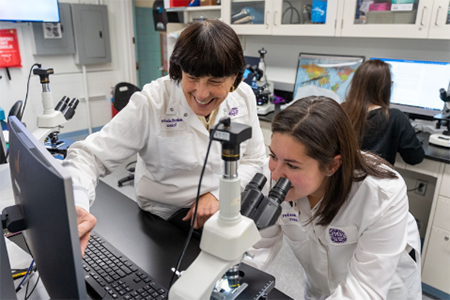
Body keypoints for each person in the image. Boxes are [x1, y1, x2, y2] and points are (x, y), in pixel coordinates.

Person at [63, 19, 267, 255]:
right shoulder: (152, 102)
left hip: (222, 207)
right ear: (179, 69)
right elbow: (88, 156)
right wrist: (77, 204)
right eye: (191, 77)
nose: (201, 94)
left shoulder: (243, 98)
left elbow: (255, 160)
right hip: (165, 215)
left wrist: (217, 195)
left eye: (215, 81)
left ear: (235, 78)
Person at [246, 97, 421, 299]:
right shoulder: (273, 176)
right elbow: (258, 246)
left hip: (383, 287)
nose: (276, 174)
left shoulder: (381, 194)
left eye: (292, 165)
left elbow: (364, 290)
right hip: (321, 285)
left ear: (332, 165)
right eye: (273, 155)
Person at [341, 59, 424, 165]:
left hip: (344, 180)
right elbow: (415, 158)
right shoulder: (395, 117)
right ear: (386, 88)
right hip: (378, 180)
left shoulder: (340, 110)